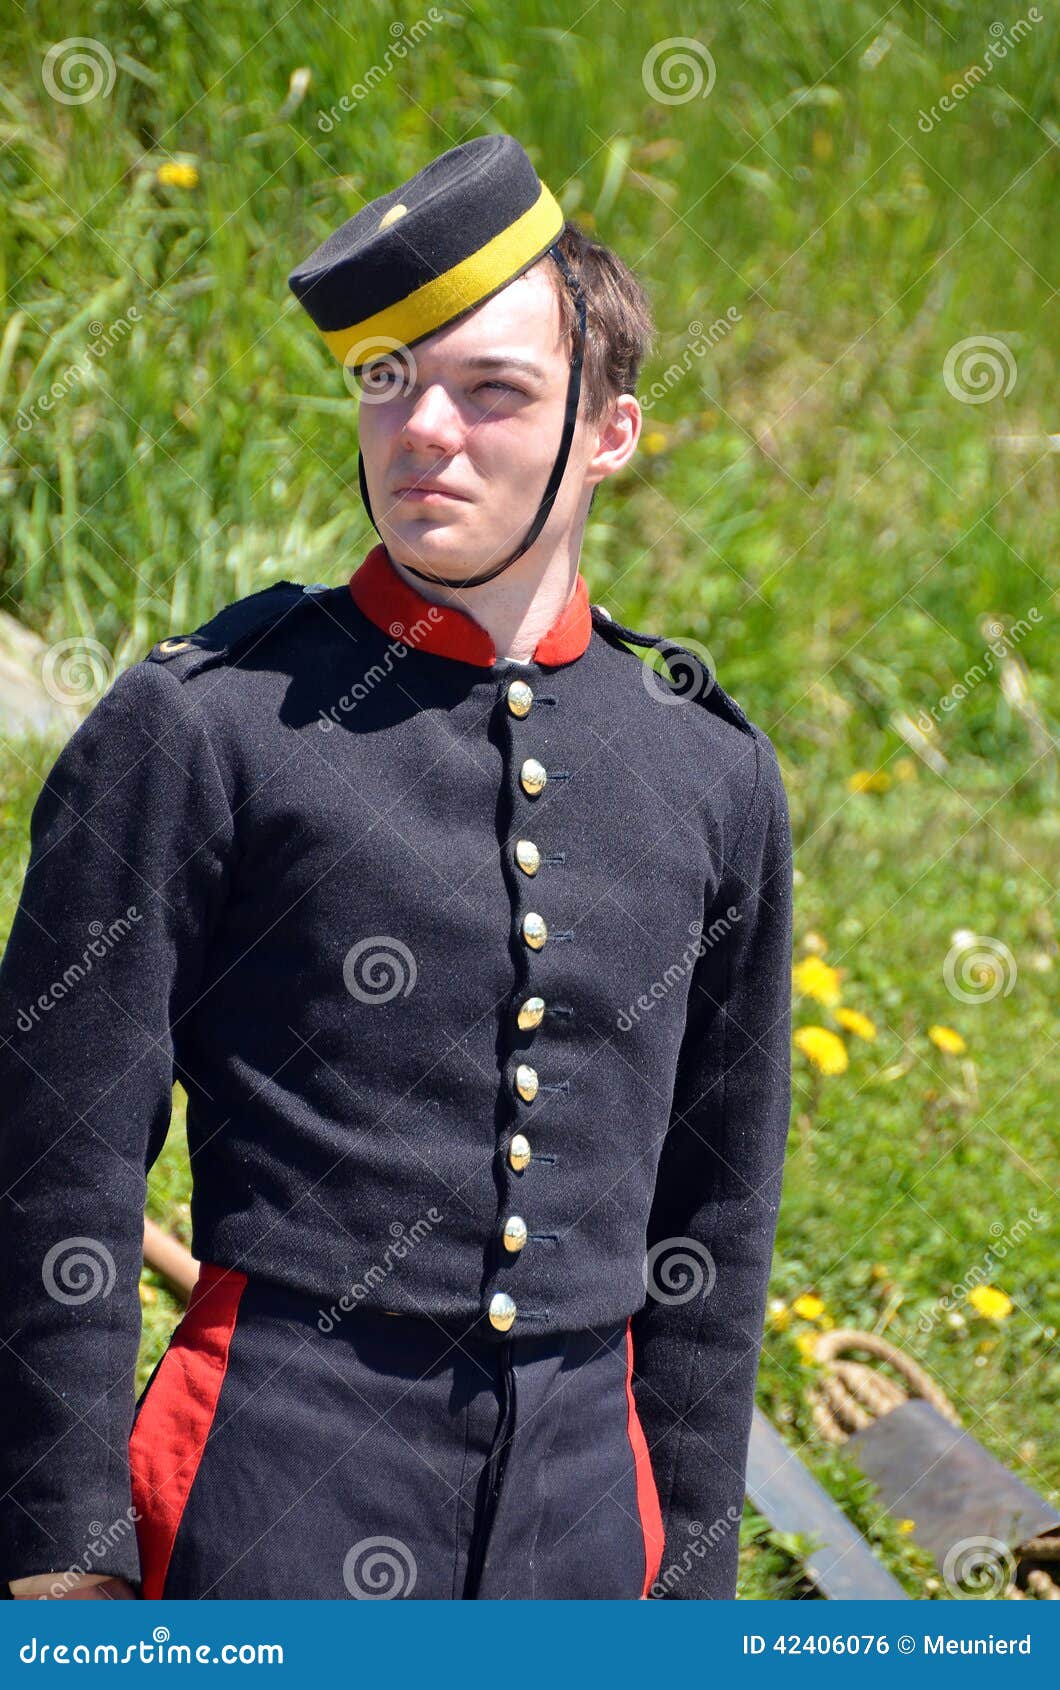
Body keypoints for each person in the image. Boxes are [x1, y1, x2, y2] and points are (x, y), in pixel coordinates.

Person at [0, 133, 792, 1601]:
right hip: (261, 1493)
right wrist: (61, 1561)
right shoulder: (205, 724)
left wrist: (688, 1582)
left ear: (609, 434)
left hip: (584, 1527)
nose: (427, 429)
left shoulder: (709, 769)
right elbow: (55, 1166)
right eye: (390, 383)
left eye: (494, 392)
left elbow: (715, 1215)